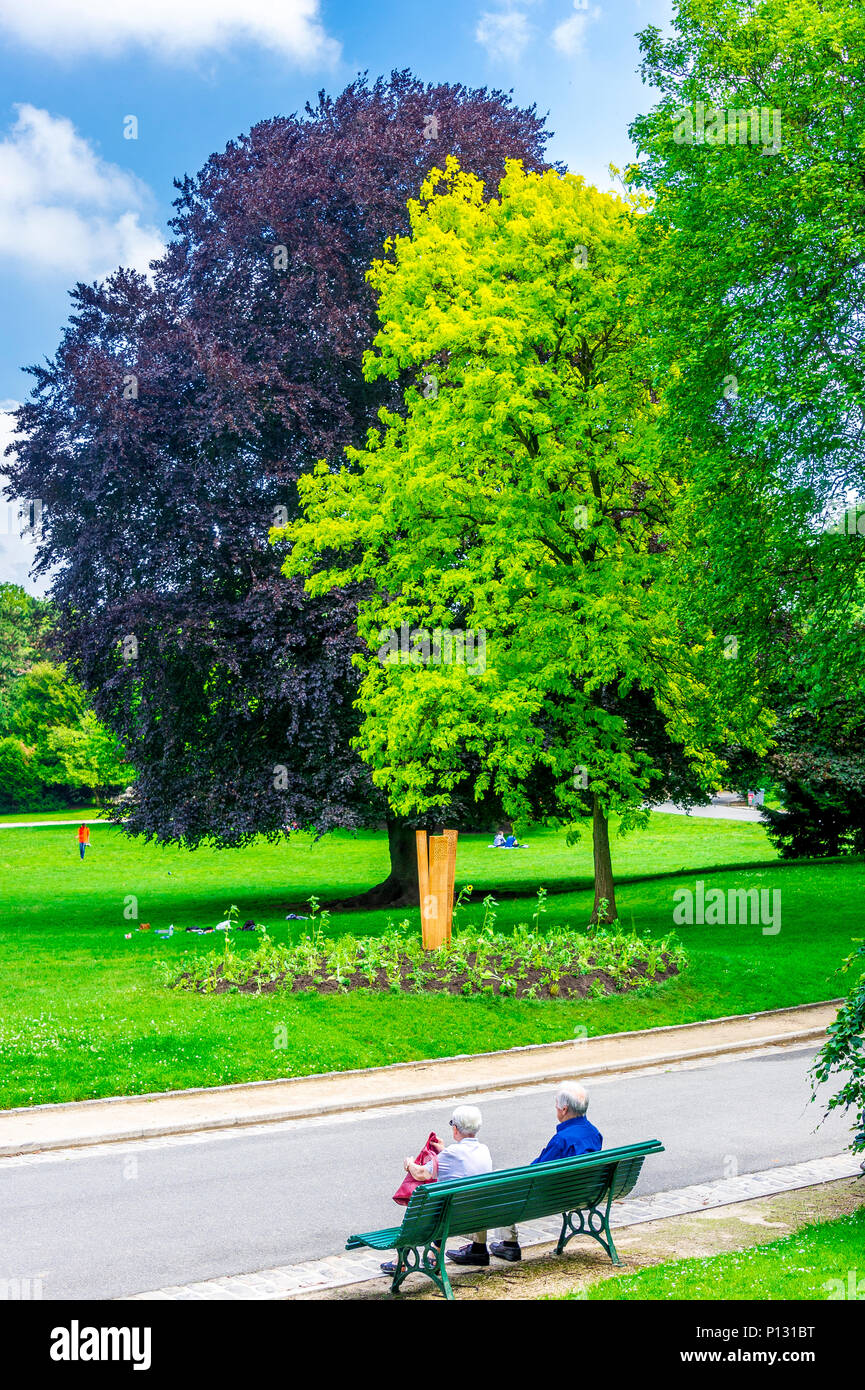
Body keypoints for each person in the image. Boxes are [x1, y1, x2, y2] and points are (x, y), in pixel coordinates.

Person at [446, 1082, 602, 1267]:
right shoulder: (594, 1133)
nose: (555, 1107)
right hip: (583, 1192)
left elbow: (536, 1172)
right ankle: (506, 1245)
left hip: (551, 1197)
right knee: (504, 1181)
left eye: (556, 1104)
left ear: (564, 1109)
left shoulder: (562, 1140)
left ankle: (485, 1247)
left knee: (494, 1184)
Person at [380, 1105, 491, 1275]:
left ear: (455, 1129)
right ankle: (433, 1254)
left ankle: (400, 1261)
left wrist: (409, 1165)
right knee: (448, 1204)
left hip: (451, 1221)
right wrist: (444, 1152)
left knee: (423, 1212)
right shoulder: (484, 1150)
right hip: (479, 1216)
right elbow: (461, 1163)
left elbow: (421, 1173)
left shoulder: (453, 1153)